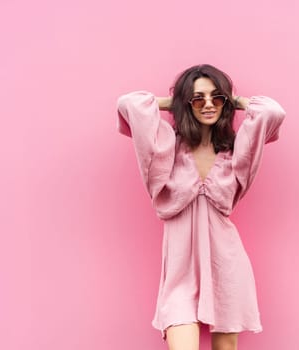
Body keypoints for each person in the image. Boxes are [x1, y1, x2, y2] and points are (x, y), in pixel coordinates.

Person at [117, 64, 286, 350]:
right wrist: (177, 101)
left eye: (216, 97)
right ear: (187, 103)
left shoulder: (235, 151)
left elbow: (273, 112)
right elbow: (128, 104)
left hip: (226, 265)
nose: (208, 105)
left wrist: (234, 101)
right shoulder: (167, 148)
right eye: (198, 98)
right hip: (179, 272)